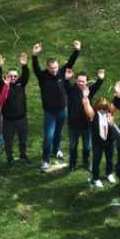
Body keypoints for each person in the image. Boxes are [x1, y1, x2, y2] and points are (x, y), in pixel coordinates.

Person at [31, 41, 79, 171]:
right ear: (47, 67)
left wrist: (77, 50)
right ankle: (46, 160)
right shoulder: (43, 77)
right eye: (52, 68)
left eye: (56, 67)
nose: (55, 70)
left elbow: (70, 63)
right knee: (49, 137)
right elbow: (35, 68)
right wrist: (34, 55)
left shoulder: (61, 73)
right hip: (50, 113)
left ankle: (56, 151)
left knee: (59, 133)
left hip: (63, 111)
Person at [0, 52, 31, 167]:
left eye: (15, 76)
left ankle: (23, 155)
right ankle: (10, 158)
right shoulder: (3, 85)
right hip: (8, 120)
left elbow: (26, 75)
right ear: (6, 76)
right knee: (8, 140)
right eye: (10, 76)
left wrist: (24, 65)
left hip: (21, 118)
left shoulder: (21, 83)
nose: (13, 78)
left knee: (23, 138)